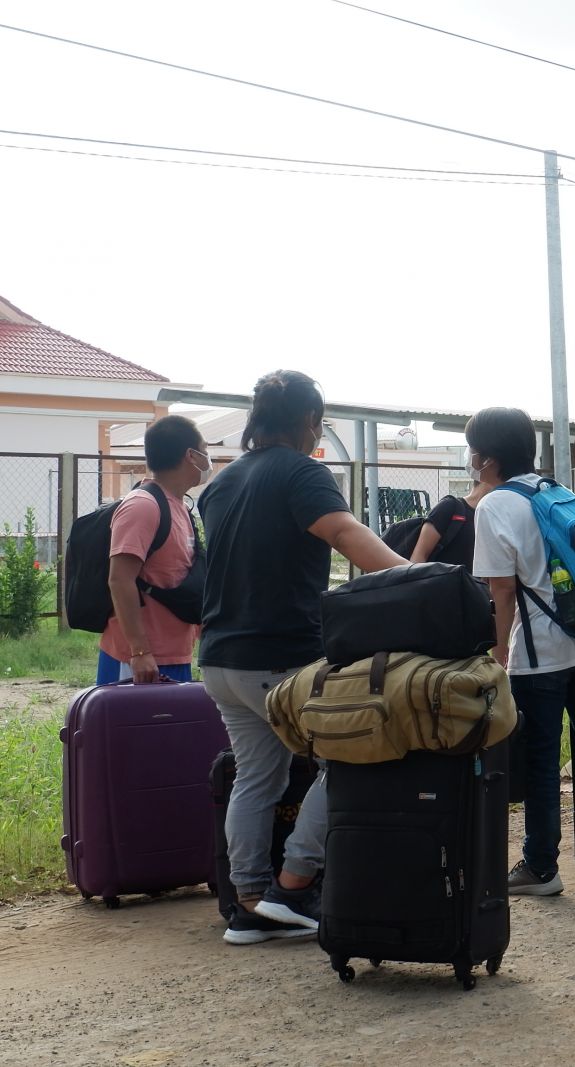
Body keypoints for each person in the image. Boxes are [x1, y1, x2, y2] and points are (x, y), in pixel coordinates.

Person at [200, 370, 409, 946]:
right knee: (346, 758)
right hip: (280, 656)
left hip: (220, 659)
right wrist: (416, 577)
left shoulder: (222, 482)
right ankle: (292, 889)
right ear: (309, 422)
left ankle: (248, 905)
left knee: (256, 777)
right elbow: (342, 532)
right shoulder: (301, 472)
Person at [469, 407, 575, 894]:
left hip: (540, 654)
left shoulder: (495, 506)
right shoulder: (559, 492)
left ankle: (541, 866)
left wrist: (500, 653)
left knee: (542, 760)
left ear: (486, 457)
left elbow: (501, 591)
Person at [98, 415, 207, 685]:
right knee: (129, 728)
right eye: (205, 451)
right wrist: (140, 649)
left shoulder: (180, 506)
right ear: (191, 456)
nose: (208, 460)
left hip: (173, 655)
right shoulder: (143, 506)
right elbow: (119, 579)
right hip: (139, 662)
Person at [408, 479, 491, 568]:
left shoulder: (492, 518)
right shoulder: (450, 506)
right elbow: (418, 557)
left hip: (472, 581)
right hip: (438, 580)